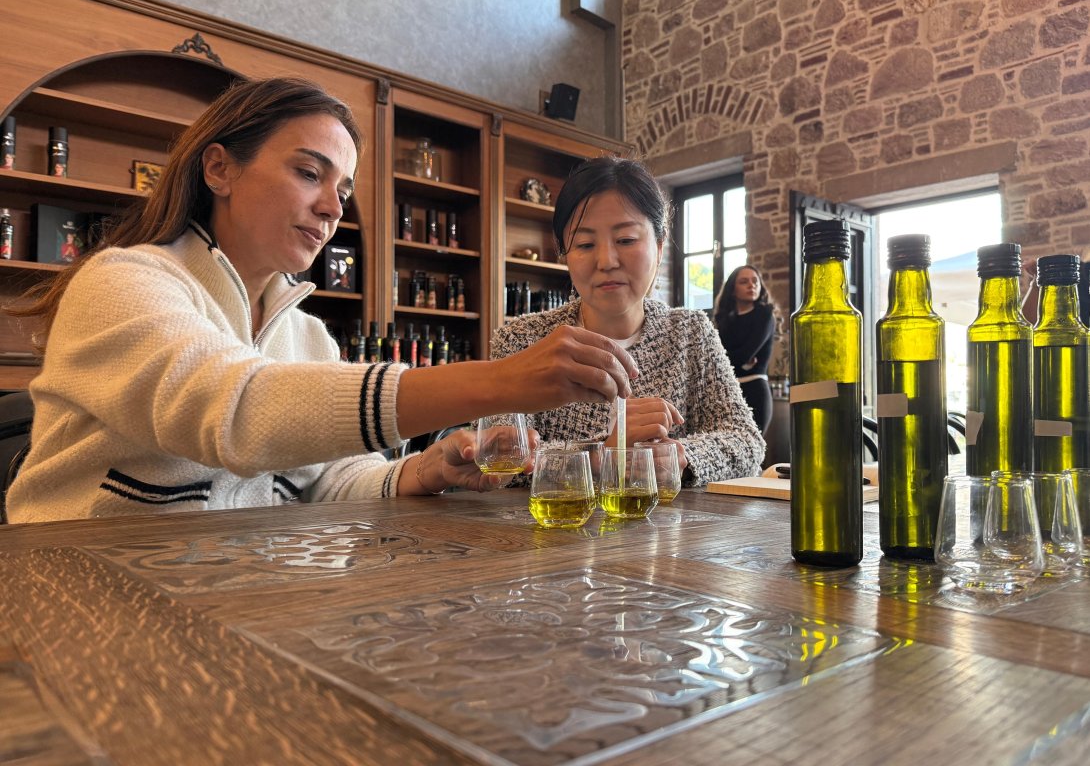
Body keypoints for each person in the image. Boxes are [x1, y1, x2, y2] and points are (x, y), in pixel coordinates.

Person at [4, 77, 637, 524]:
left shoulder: (308, 336)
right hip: (77, 603)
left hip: (229, 601)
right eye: (310, 174)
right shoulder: (119, 282)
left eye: (343, 188)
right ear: (219, 169)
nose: (334, 208)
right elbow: (234, 410)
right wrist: (498, 383)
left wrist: (426, 469)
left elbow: (331, 481)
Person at [490, 156, 764, 485]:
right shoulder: (522, 339)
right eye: (585, 244)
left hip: (672, 535)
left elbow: (748, 442)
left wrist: (679, 455)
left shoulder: (690, 332)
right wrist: (604, 454)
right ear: (565, 255)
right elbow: (498, 459)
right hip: (550, 535)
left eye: (626, 240)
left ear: (660, 246)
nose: (606, 261)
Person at [712, 264, 776, 433]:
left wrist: (731, 358)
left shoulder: (765, 314)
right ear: (733, 290)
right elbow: (716, 357)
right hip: (728, 392)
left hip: (755, 390)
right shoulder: (725, 319)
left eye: (755, 281)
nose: (751, 285)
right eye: (744, 281)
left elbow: (743, 354)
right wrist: (738, 361)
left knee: (754, 452)